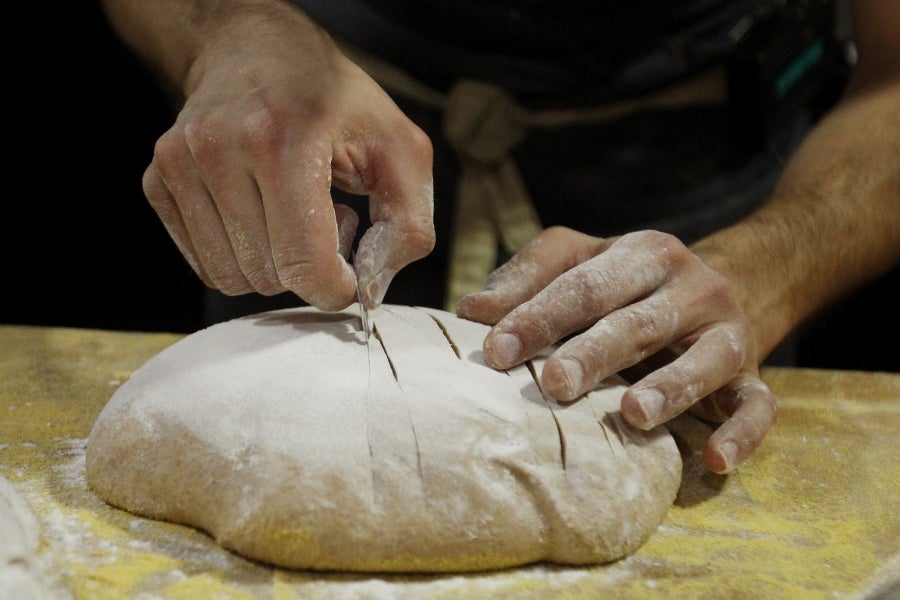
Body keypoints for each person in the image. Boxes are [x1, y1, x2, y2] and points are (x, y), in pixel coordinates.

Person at [98, 0, 900, 474]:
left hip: (702, 181)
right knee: (257, 467)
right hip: (315, 148)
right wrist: (228, 26)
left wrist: (767, 267)